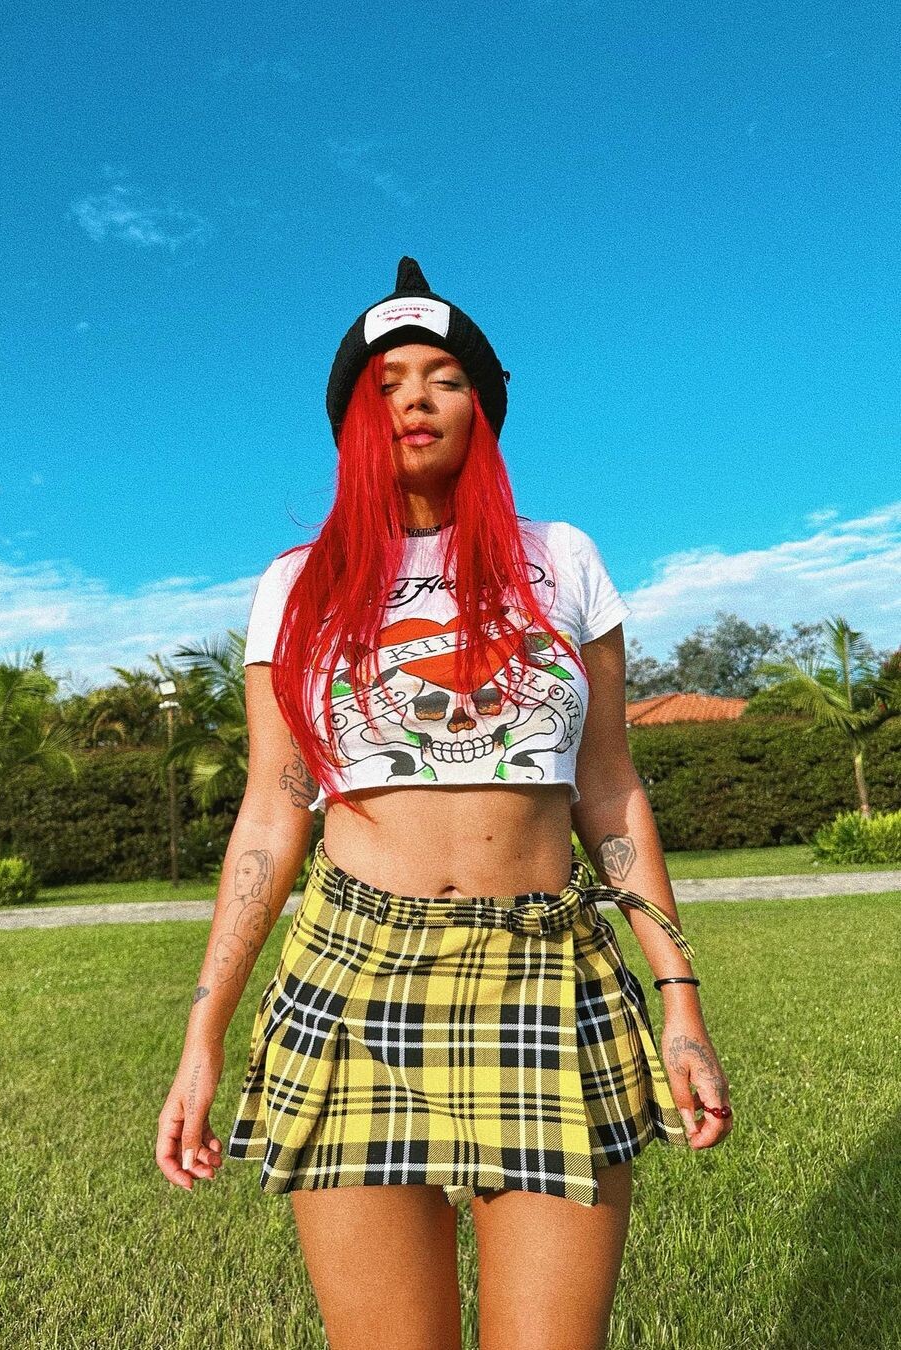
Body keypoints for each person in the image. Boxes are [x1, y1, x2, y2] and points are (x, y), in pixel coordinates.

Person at [156, 257, 733, 1350]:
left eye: (444, 378)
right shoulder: (297, 583)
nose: (414, 400)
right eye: (385, 384)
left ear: (483, 406)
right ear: (352, 422)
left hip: (544, 968)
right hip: (349, 978)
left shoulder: (562, 561)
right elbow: (274, 808)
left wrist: (681, 1002)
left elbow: (610, 789)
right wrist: (203, 1036)